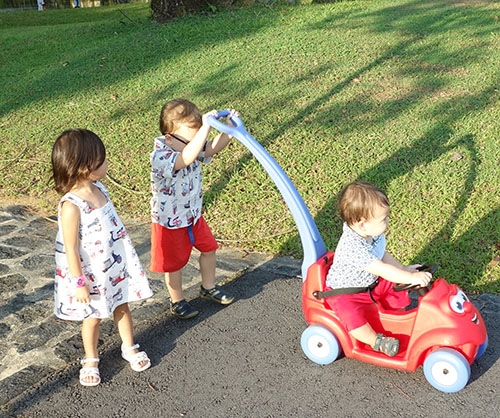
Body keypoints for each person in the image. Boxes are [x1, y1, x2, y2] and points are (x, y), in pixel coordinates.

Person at [52, 129, 153, 386]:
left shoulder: (100, 188)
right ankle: (90, 357)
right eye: (103, 159)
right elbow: (71, 248)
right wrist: (78, 282)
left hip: (113, 264)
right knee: (93, 317)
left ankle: (129, 345)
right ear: (85, 166)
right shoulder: (71, 206)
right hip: (90, 274)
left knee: (122, 304)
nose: (108, 162)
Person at [150, 98, 237, 319]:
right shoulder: (161, 156)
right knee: (174, 263)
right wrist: (205, 129)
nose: (196, 145)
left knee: (209, 248)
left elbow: (209, 149)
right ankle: (177, 299)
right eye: (193, 140)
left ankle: (208, 287)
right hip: (171, 221)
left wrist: (229, 130)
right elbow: (186, 158)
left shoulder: (186, 144)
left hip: (193, 216)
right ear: (169, 137)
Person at [325, 181, 432, 356]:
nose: (388, 221)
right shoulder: (353, 247)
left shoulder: (372, 235)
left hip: (369, 282)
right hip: (346, 292)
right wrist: (410, 278)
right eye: (383, 219)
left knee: (395, 283)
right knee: (351, 316)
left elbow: (382, 255)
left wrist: (404, 270)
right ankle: (376, 341)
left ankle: (397, 320)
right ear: (362, 224)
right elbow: (381, 268)